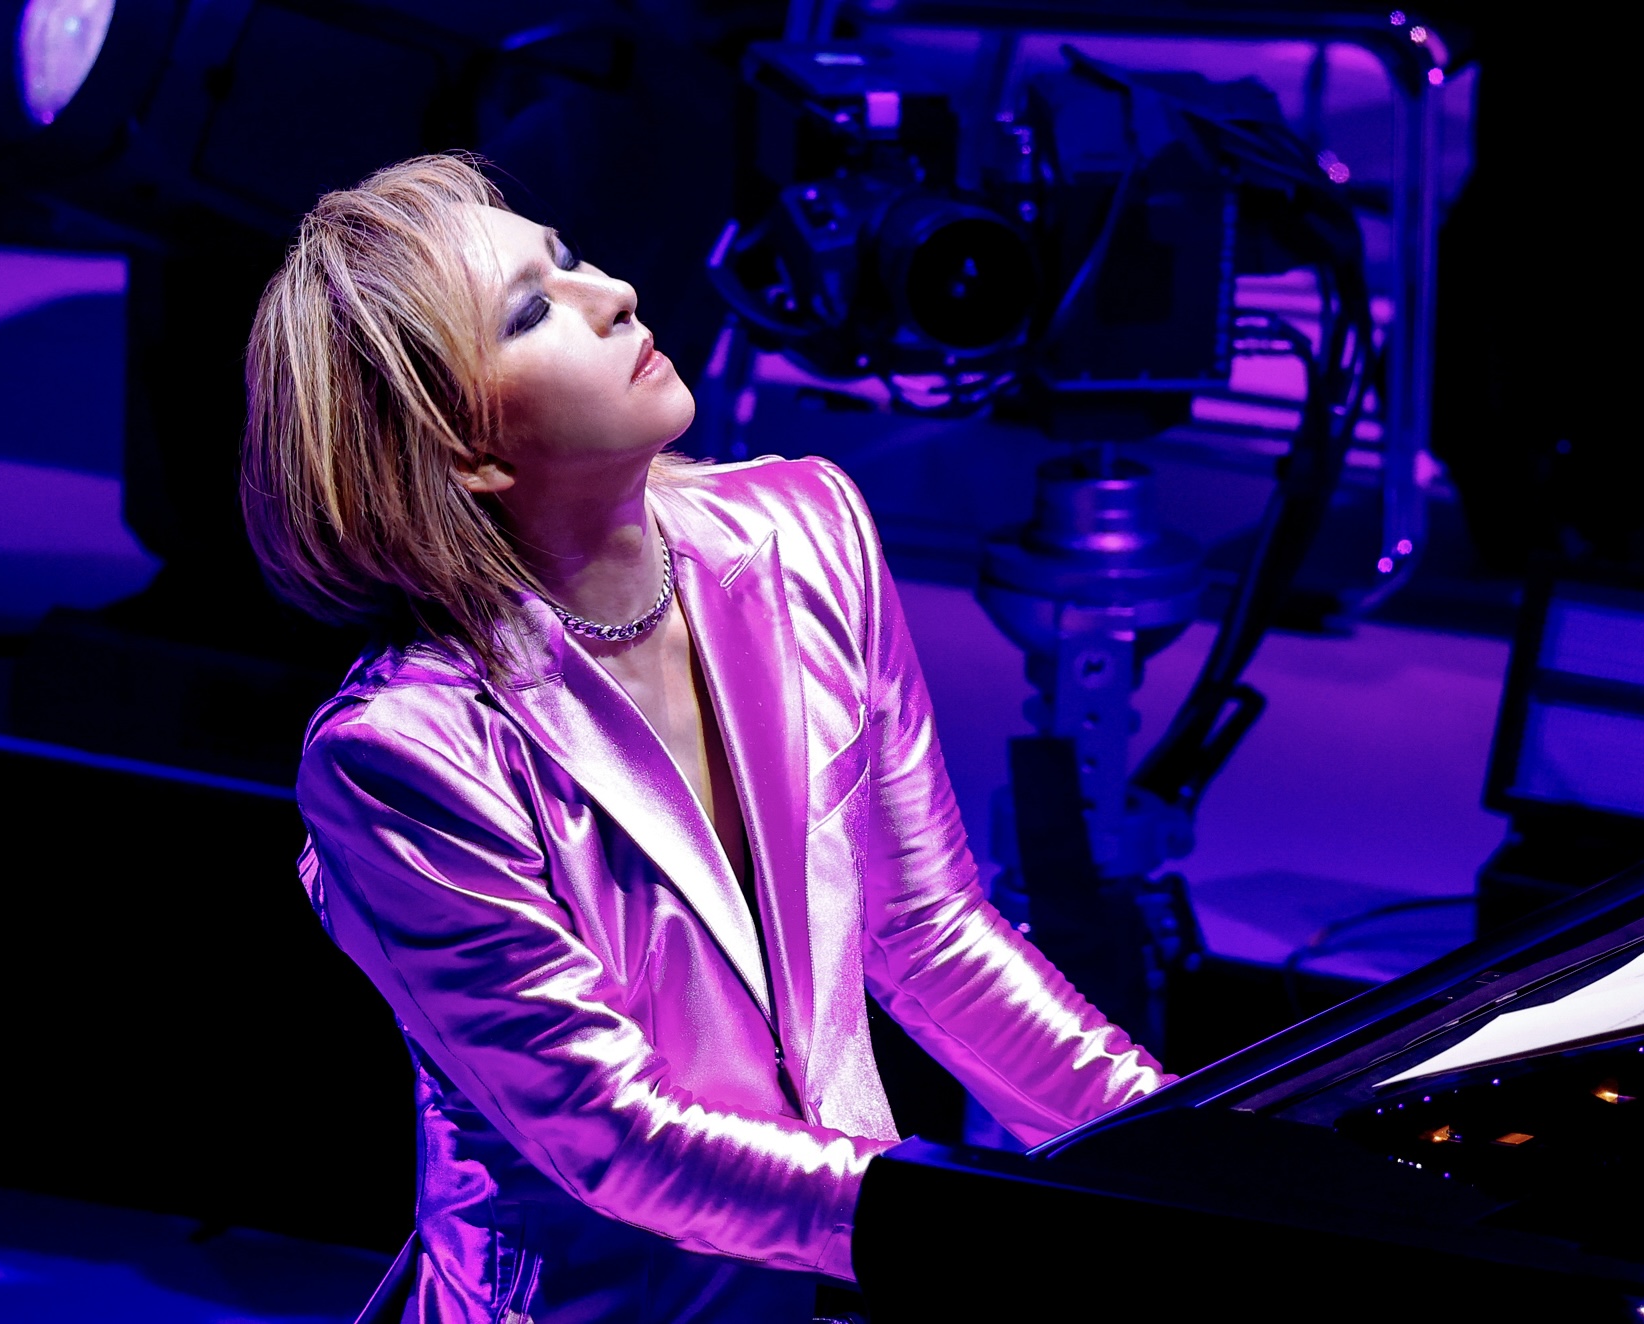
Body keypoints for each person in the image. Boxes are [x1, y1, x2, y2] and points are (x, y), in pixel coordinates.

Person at [239, 154, 1166, 1323]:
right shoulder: (401, 756)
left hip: (846, 1275)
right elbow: (612, 1135)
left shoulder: (810, 530)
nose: (614, 294)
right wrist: (950, 1222)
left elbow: (930, 934)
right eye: (531, 311)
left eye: (570, 259)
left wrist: (1183, 1159)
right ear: (468, 449)